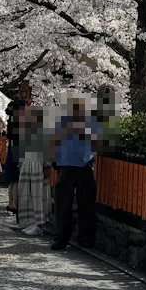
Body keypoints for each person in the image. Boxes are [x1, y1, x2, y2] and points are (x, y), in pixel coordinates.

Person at [50, 96, 98, 250]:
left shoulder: (61, 121)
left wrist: (55, 161)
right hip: (84, 165)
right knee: (86, 203)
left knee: (63, 203)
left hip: (66, 164)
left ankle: (61, 238)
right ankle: (86, 237)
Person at [17, 106, 48, 237]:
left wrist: (47, 165)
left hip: (37, 166)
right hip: (28, 165)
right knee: (27, 194)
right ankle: (31, 220)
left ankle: (39, 223)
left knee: (38, 195)